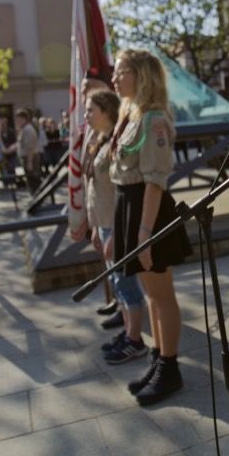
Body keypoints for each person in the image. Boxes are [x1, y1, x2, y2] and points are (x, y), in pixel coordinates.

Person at [110, 49, 192, 406]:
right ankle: (160, 358)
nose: (114, 79)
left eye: (121, 72)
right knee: (151, 294)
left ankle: (169, 368)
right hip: (131, 208)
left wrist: (144, 234)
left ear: (142, 75)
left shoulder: (153, 118)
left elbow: (155, 181)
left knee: (161, 294)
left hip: (148, 212)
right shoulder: (133, 115)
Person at [84, 89, 149, 364]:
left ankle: (135, 341)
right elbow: (94, 189)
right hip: (104, 223)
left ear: (107, 111)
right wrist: (95, 227)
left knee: (125, 282)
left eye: (91, 110)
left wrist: (115, 231)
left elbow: (122, 190)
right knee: (117, 282)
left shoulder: (117, 141)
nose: (86, 115)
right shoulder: (100, 140)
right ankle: (128, 331)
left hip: (115, 223)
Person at [8, 110, 41, 193]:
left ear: (23, 119)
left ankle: (36, 195)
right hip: (27, 157)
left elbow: (30, 147)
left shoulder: (27, 129)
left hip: (30, 158)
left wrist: (29, 162)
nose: (16, 121)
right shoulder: (24, 129)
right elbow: (20, 143)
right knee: (30, 179)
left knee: (33, 180)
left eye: (18, 119)